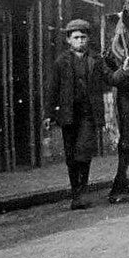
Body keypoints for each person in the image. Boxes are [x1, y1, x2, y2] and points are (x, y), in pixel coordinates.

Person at [45, 18, 116, 210]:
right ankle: (76, 193)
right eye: (76, 37)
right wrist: (49, 114)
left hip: (89, 113)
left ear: (88, 39)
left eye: (83, 37)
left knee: (83, 152)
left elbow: (110, 78)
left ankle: (82, 191)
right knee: (70, 155)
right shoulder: (61, 62)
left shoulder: (96, 60)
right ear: (68, 40)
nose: (80, 41)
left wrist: (124, 72)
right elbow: (53, 89)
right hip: (68, 114)